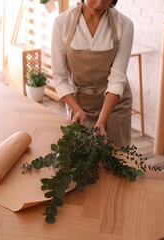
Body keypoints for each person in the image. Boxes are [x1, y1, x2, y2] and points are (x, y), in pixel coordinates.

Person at [51, 0, 134, 147]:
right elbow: (60, 78)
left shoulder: (124, 24)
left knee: (116, 159)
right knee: (83, 160)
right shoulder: (62, 22)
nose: (99, 4)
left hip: (115, 106)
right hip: (81, 104)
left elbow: (117, 79)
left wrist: (102, 121)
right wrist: (77, 110)